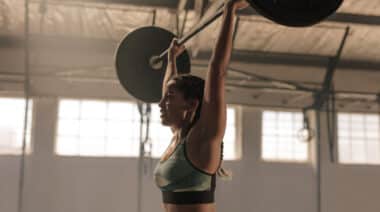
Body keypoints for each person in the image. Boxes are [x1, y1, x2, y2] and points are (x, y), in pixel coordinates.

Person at [153, 0, 248, 211]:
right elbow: (167, 95)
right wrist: (171, 61)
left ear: (192, 104)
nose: (160, 103)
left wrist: (229, 11)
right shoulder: (178, 136)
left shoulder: (203, 137)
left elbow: (217, 71)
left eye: (169, 97)